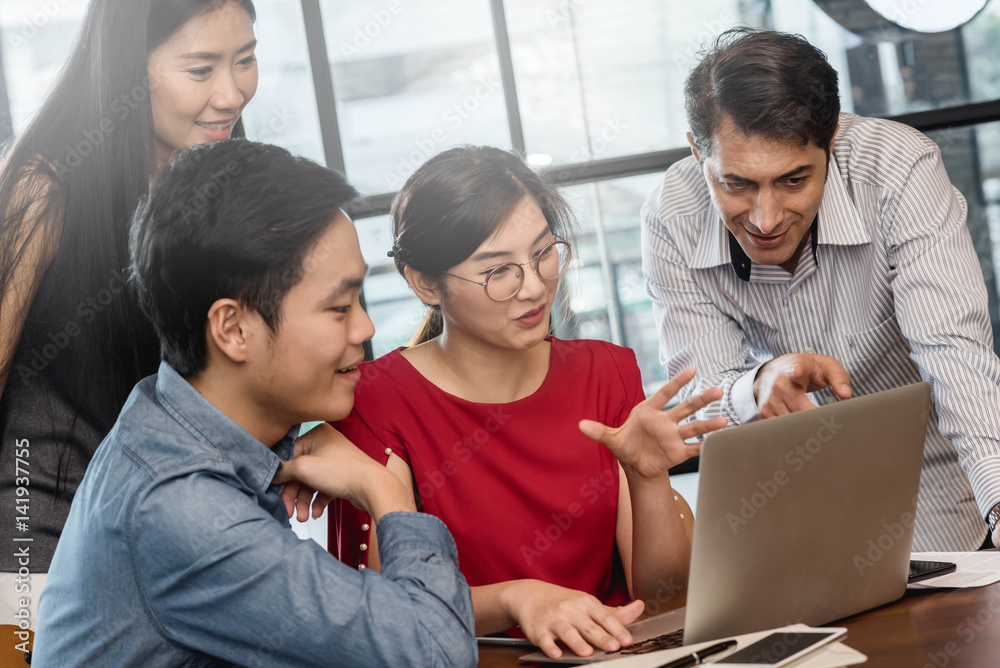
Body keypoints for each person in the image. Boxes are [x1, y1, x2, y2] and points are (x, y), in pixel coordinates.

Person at [31, 139, 477, 667]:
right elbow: (435, 653)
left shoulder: (166, 418)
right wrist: (383, 488)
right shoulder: (182, 507)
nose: (365, 328)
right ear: (233, 328)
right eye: (338, 307)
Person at [319, 145, 727, 660]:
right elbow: (391, 614)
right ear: (425, 283)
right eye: (497, 271)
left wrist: (649, 480)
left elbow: (666, 601)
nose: (534, 287)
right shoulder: (375, 401)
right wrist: (518, 602)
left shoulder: (605, 371)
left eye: (542, 253)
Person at [641, 27, 1000, 552]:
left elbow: (955, 355)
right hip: (787, 490)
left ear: (831, 140)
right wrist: (758, 384)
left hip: (935, 471)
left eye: (793, 180)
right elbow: (705, 401)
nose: (765, 220)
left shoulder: (897, 168)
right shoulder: (671, 216)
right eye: (736, 183)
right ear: (698, 153)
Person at [0, 0, 260, 630]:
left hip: (179, 518)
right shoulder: (45, 190)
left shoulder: (228, 190)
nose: (230, 94)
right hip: (41, 507)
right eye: (201, 69)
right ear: (126, 71)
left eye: (246, 60)